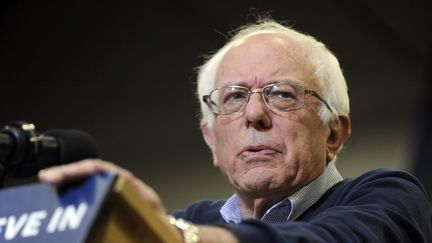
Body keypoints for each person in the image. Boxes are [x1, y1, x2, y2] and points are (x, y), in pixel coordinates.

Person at [38, 18, 432, 242]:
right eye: (233, 97)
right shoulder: (193, 217)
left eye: (281, 95)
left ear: (333, 134)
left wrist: (173, 236)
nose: (254, 115)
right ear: (211, 139)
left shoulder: (388, 198)